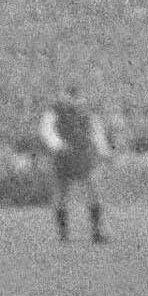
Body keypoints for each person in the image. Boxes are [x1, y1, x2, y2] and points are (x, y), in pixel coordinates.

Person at [39, 81, 113, 243]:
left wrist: (104, 151)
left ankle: (96, 231)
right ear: (64, 96)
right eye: (69, 95)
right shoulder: (54, 112)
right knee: (61, 193)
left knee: (93, 189)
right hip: (63, 156)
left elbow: (97, 133)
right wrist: (58, 146)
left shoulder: (87, 113)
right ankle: (63, 235)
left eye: (76, 96)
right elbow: (46, 131)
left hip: (83, 154)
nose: (73, 100)